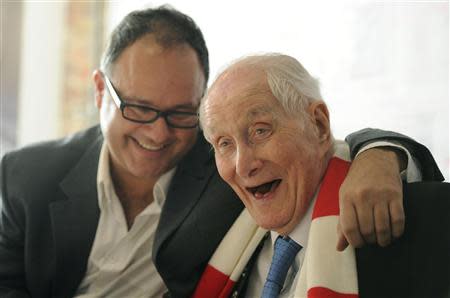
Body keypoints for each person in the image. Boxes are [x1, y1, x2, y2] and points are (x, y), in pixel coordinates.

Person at [0, 7, 444, 298]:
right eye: (138, 108)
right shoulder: (25, 179)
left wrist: (383, 154)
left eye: (180, 113)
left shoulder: (218, 168)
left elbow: (332, 146)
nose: (157, 133)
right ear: (100, 92)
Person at [195, 53, 450, 298]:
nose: (242, 166)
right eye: (224, 143)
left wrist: (382, 154)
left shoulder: (418, 220)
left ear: (318, 125)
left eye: (260, 131)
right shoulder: (212, 223)